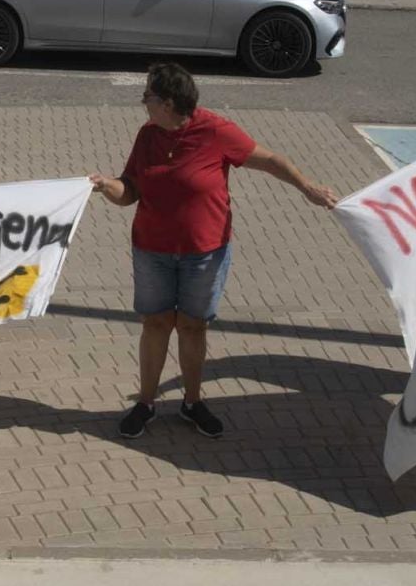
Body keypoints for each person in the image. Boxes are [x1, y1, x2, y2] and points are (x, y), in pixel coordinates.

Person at [90, 63, 338, 439]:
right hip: (152, 251)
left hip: (204, 254)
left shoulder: (215, 131)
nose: (143, 102)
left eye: (149, 96)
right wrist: (107, 186)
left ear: (169, 103)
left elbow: (271, 160)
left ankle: (192, 403)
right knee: (155, 324)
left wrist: (307, 188)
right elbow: (131, 191)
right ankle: (145, 403)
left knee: (192, 326)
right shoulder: (148, 136)